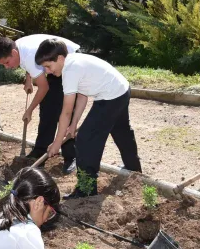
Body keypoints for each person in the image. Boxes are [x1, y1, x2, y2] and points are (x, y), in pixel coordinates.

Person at [36, 39, 142, 199]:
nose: (47, 71)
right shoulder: (73, 62)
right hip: (121, 89)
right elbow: (82, 96)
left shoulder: (70, 70)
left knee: (86, 139)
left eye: (48, 66)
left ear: (59, 59)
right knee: (121, 131)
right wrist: (73, 124)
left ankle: (86, 189)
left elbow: (66, 111)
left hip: (111, 96)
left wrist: (57, 142)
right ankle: (134, 169)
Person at [0, 35, 79, 172]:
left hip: (68, 64)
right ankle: (40, 150)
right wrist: (28, 79)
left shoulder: (28, 55)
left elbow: (44, 87)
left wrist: (29, 110)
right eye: (3, 65)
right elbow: (27, 63)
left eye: (7, 62)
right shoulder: (16, 47)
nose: (7, 67)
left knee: (65, 111)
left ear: (14, 53)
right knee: (47, 109)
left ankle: (71, 156)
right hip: (52, 65)